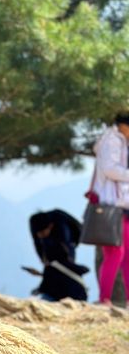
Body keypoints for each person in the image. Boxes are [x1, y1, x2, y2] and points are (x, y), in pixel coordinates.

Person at [92, 112, 129, 305]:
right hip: (111, 205)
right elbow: (110, 169)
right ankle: (104, 298)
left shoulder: (119, 141)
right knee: (115, 253)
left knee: (125, 254)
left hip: (120, 205)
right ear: (123, 126)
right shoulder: (112, 141)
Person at [26, 210, 89, 301]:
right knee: (53, 268)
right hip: (53, 251)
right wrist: (43, 259)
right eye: (39, 234)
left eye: (43, 233)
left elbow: (79, 230)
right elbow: (37, 242)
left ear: (50, 226)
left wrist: (73, 246)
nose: (41, 236)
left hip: (69, 243)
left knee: (62, 268)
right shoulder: (35, 223)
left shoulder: (61, 225)